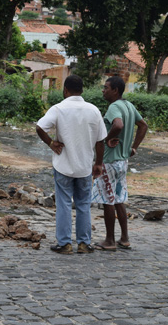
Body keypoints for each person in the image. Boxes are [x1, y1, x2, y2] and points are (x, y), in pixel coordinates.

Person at [36, 75, 107, 254]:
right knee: (84, 204)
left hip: (63, 165)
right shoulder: (93, 110)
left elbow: (39, 127)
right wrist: (98, 163)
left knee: (64, 204)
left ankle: (65, 244)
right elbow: (100, 141)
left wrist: (51, 143)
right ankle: (84, 243)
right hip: (84, 166)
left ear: (65, 90)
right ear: (82, 90)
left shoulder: (59, 108)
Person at [92, 76, 148, 251]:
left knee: (108, 200)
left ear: (115, 90)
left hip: (109, 161)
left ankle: (109, 240)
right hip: (122, 162)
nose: (103, 90)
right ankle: (124, 238)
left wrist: (105, 139)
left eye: (106, 87)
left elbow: (118, 125)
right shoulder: (129, 106)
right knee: (119, 199)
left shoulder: (114, 106)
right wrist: (133, 148)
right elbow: (143, 126)